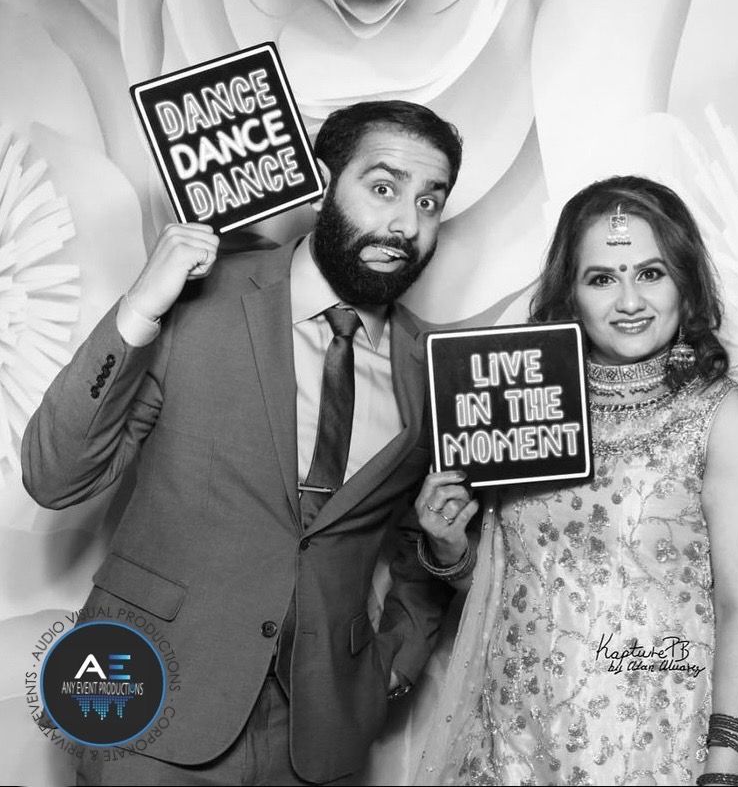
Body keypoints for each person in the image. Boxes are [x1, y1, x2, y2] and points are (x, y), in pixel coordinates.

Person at [22, 101, 462, 785]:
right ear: (321, 186)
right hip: (150, 705)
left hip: (318, 739)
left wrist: (391, 666)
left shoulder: (435, 367)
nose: (405, 223)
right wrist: (140, 306)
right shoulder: (200, 301)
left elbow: (417, 542)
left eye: (429, 202)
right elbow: (55, 474)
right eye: (383, 188)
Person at [407, 176, 738, 785]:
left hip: (654, 748)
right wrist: (451, 546)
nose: (629, 299)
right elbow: (517, 586)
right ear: (571, 296)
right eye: (602, 278)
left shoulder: (722, 418)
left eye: (651, 273)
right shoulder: (529, 403)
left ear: (686, 285)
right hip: (515, 744)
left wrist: (727, 770)